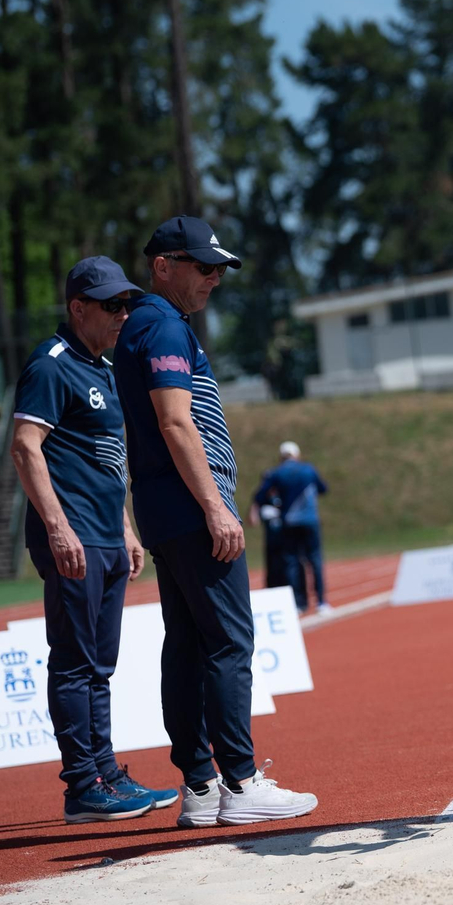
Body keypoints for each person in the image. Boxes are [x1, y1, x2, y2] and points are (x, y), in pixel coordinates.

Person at [112, 215, 318, 827]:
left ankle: (200, 787)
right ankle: (240, 779)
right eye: (202, 267)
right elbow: (176, 424)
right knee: (229, 642)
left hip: (160, 507)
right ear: (163, 266)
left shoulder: (144, 326)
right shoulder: (164, 326)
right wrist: (215, 506)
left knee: (188, 644)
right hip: (188, 506)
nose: (213, 280)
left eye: (218, 270)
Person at [9, 256, 175, 823]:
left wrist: (126, 527)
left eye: (126, 302)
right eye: (111, 305)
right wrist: (57, 527)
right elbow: (25, 447)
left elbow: (107, 461)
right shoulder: (51, 365)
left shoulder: (102, 369)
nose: (122, 313)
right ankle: (83, 785)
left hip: (105, 535)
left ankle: (106, 774)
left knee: (99, 665)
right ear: (78, 308)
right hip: (73, 536)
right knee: (76, 664)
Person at [251, 442, 329, 613]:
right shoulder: (308, 470)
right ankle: (322, 601)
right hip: (309, 520)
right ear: (297, 454)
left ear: (281, 456)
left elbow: (260, 494)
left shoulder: (277, 473)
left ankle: (297, 602)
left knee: (292, 562)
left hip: (289, 522)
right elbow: (323, 489)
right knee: (314, 559)